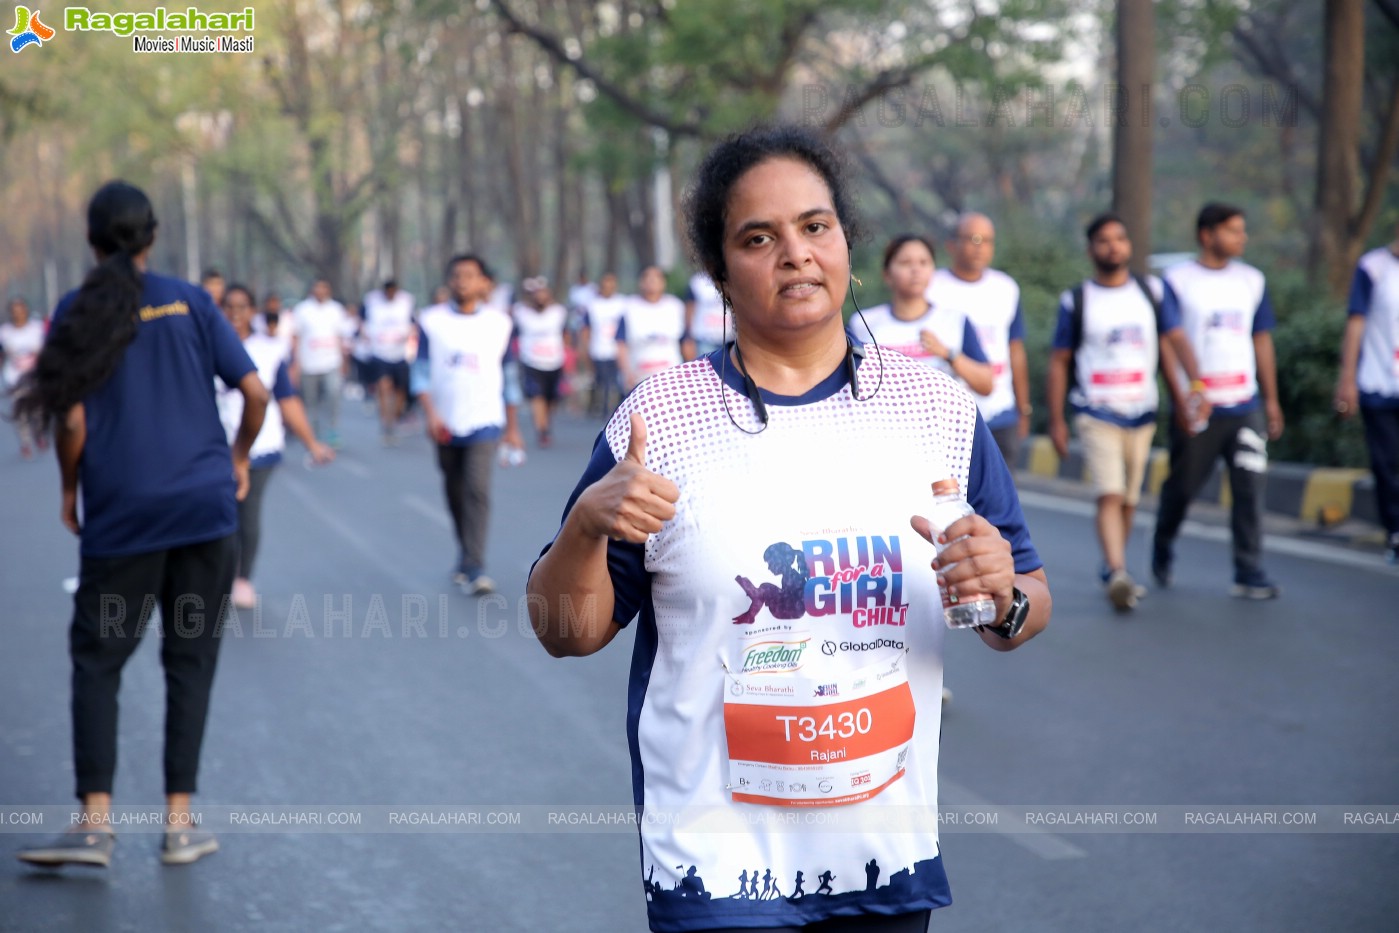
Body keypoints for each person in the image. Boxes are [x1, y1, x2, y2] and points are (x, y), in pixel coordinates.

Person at [527, 125, 1050, 933]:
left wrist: (1005, 593)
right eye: (758, 237)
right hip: (714, 854)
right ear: (720, 273)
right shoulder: (659, 421)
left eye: (814, 227)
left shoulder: (937, 409)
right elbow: (568, 630)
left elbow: (1022, 607)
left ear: (845, 242)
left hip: (882, 849)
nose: (795, 254)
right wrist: (586, 528)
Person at [14, 181, 267, 869]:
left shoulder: (74, 309)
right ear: (150, 239)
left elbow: (69, 418)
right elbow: (255, 391)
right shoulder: (189, 300)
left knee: (98, 661)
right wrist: (238, 458)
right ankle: (179, 825)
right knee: (189, 663)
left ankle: (95, 822)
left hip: (122, 516)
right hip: (205, 512)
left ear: (93, 243)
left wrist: (71, 490)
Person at [1045, 212, 1210, 611]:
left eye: (1120, 238)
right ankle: (1118, 571)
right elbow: (1059, 361)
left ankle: (1111, 563)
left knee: (1130, 499)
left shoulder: (1151, 291)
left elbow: (1174, 340)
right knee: (1110, 492)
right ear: (1091, 250)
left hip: (1142, 411)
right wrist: (1056, 420)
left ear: (1129, 246)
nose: (1113, 246)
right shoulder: (1078, 299)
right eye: (1104, 240)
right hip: (1096, 410)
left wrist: (1196, 386)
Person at [1152, 203, 1284, 599]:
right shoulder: (1176, 280)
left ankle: (1249, 570)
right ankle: (1163, 543)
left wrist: (1272, 400)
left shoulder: (1252, 281)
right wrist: (1182, 397)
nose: (1242, 238)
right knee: (1184, 487)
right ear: (1207, 235)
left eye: (1242, 230)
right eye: (1233, 231)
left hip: (1245, 404)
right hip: (1199, 409)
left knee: (1249, 486)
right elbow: (1168, 340)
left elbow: (1261, 339)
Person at [216, 285, 335, 609]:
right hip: (215, 451)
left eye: (242, 307)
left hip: (260, 447)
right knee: (219, 516)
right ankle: (218, 575)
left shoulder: (269, 351)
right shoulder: (202, 348)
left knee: (247, 512)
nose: (235, 314)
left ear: (253, 311)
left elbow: (287, 400)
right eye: (228, 307)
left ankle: (243, 578)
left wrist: (312, 443)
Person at [412, 254, 524, 595]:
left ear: (483, 283)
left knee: (477, 489)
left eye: (470, 275)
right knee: (455, 490)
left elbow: (509, 376)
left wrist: (514, 427)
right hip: (445, 421)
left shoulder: (500, 323)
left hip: (485, 419)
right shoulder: (431, 321)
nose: (463, 281)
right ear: (448, 281)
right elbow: (420, 373)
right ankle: (465, 551)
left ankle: (475, 565)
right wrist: (431, 414)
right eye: (456, 274)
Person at [934, 213, 1033, 467]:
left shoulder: (1006, 288)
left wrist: (1023, 407)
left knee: (998, 502)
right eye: (973, 239)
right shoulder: (932, 287)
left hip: (1000, 411)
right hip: (948, 415)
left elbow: (1015, 349)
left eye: (987, 241)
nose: (980, 247)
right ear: (951, 244)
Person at [846, 234, 995, 398]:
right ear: (887, 274)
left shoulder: (954, 320)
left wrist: (948, 354)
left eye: (923, 262)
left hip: (942, 421)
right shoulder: (862, 323)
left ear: (933, 270)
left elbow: (986, 385)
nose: (915, 270)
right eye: (905, 263)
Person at [1334, 223, 1399, 564]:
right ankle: (1395, 533)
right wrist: (1348, 380)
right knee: (1386, 463)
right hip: (1380, 383)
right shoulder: (1373, 268)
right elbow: (1355, 322)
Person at [290, 278, 351, 448]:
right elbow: (296, 337)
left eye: (324, 287)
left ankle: (333, 429)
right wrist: (296, 362)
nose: (321, 291)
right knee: (310, 400)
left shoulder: (336, 310)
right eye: (318, 287)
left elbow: (340, 336)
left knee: (333, 393)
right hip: (309, 363)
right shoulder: (302, 310)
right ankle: (311, 432)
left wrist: (344, 361)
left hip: (331, 362)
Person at [512, 276, 569, 447]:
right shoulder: (520, 312)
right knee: (537, 396)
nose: (539, 297)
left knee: (550, 399)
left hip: (554, 361)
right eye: (536, 294)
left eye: (543, 293)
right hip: (531, 361)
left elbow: (566, 334)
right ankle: (542, 429)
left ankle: (546, 423)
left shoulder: (558, 313)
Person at [616, 265, 691, 392]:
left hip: (670, 376)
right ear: (641, 282)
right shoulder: (629, 308)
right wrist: (626, 372)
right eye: (648, 278)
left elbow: (686, 342)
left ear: (663, 283)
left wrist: (690, 372)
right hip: (639, 377)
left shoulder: (675, 307)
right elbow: (621, 344)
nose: (652, 282)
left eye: (656, 278)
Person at [363, 278, 416, 445]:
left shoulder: (407, 302)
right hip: (380, 354)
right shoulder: (372, 302)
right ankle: (386, 424)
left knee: (399, 392)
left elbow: (413, 323)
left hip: (400, 355)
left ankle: (393, 420)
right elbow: (363, 322)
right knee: (384, 389)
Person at [2, 297, 46, 458]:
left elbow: (45, 349)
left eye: (20, 310)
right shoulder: (5, 332)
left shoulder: (36, 328)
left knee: (38, 410)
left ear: (26, 310)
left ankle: (39, 434)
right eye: (14, 311)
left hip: (35, 377)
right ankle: (25, 443)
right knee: (20, 412)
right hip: (14, 378)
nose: (18, 314)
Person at [579, 271, 627, 416]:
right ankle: (604, 409)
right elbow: (586, 329)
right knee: (604, 381)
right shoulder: (593, 305)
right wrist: (584, 348)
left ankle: (618, 409)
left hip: (618, 349)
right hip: (599, 349)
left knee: (618, 382)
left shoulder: (623, 303)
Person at [685, 269, 728, 357]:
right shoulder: (697, 282)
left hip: (730, 340)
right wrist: (688, 336)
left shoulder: (732, 278)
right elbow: (690, 309)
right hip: (705, 340)